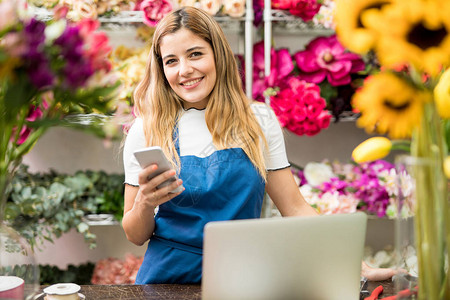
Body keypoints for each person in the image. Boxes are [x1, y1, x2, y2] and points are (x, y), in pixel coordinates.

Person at [122, 6, 397, 284]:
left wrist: (353, 263)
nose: (185, 70)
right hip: (166, 280)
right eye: (171, 61)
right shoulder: (146, 129)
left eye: (195, 54)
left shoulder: (258, 120)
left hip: (239, 276)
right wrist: (145, 203)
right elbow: (134, 235)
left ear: (217, 54)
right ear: (162, 69)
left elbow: (295, 208)